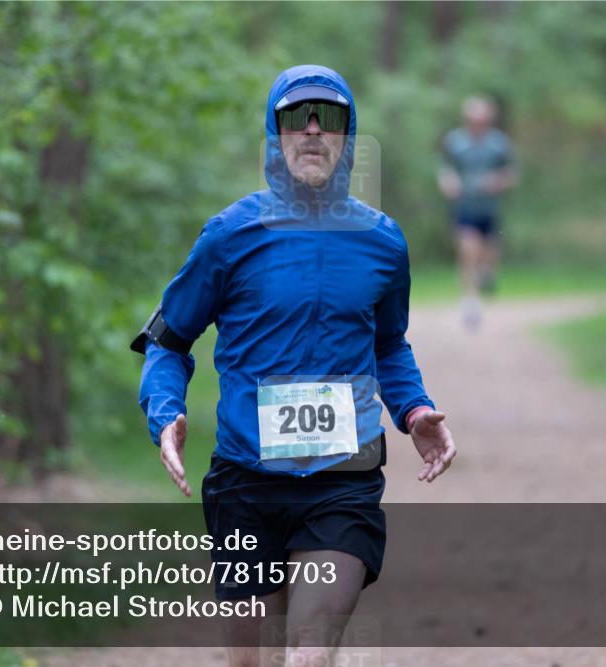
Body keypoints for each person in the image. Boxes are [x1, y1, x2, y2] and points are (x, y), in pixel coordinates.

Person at [133, 64, 456, 667]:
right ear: (275, 134)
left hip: (342, 483)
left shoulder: (383, 243)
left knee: (309, 653)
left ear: (348, 136)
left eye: (328, 119)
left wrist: (413, 411)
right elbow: (167, 341)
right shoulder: (229, 236)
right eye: (296, 119)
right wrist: (166, 413)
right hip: (244, 484)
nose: (312, 131)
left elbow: (388, 344)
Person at [437, 96, 517, 330]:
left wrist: (499, 180)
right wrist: (448, 181)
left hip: (490, 209)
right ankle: (470, 303)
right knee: (467, 252)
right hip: (465, 207)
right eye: (473, 119)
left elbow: (512, 172)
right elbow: (445, 168)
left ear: (488, 120)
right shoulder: (455, 141)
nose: (477, 123)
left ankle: (488, 275)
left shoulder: (499, 144)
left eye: (481, 119)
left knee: (488, 257)